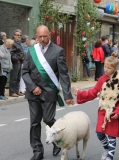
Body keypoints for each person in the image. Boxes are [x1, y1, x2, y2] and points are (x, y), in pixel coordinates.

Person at [22, 25, 74, 160]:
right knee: (34, 122)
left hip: (49, 92)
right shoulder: (31, 51)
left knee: (48, 119)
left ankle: (57, 140)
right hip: (33, 93)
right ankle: (37, 151)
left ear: (49, 36)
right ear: (36, 36)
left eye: (45, 36)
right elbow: (25, 72)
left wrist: (67, 95)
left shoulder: (58, 51)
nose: (43, 39)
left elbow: (63, 74)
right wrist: (32, 87)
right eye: (40, 37)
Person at [72, 52, 119, 160]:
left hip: (114, 112)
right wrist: (80, 93)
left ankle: (110, 157)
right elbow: (93, 92)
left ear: (115, 68)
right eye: (105, 66)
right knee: (100, 133)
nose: (106, 69)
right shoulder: (102, 79)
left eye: (109, 67)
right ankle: (107, 149)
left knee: (112, 135)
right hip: (103, 111)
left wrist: (118, 112)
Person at [9, 29, 25, 97]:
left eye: (20, 35)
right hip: (15, 62)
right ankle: (12, 92)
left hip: (20, 62)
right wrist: (17, 59)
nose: (19, 36)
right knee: (14, 78)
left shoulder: (18, 43)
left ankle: (16, 90)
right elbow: (11, 53)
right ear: (14, 35)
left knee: (18, 77)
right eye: (17, 35)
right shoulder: (13, 43)